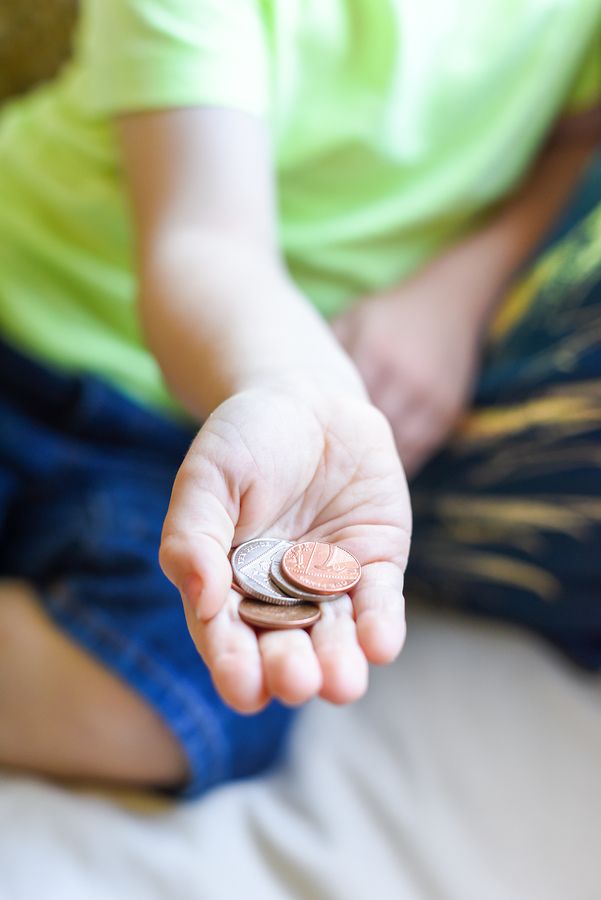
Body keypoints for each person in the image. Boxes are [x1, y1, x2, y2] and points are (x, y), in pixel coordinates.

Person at [0, 1, 599, 799]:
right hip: (26, 317)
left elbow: (577, 131)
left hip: (184, 447)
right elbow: (203, 241)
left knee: (218, 686)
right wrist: (299, 387)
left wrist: (458, 290)